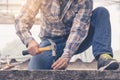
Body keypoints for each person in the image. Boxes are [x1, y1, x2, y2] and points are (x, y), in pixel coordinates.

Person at [15, 0, 119, 70]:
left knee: (101, 13)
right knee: (35, 71)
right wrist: (29, 40)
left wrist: (67, 55)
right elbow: (21, 19)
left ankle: (103, 56)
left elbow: (79, 29)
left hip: (78, 39)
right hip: (51, 44)